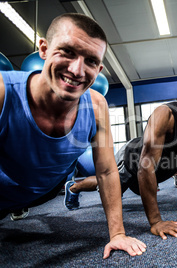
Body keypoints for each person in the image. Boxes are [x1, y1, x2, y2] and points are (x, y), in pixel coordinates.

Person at [0, 13, 146, 258]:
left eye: (90, 61)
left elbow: (108, 171)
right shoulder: (4, 92)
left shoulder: (97, 105)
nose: (77, 70)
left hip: (45, 191)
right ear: (44, 49)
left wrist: (118, 234)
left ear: (98, 69)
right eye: (67, 52)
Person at [65, 70, 177, 240]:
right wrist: (156, 222)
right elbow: (145, 167)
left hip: (159, 168)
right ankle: (74, 187)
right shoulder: (166, 115)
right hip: (132, 160)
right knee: (106, 185)